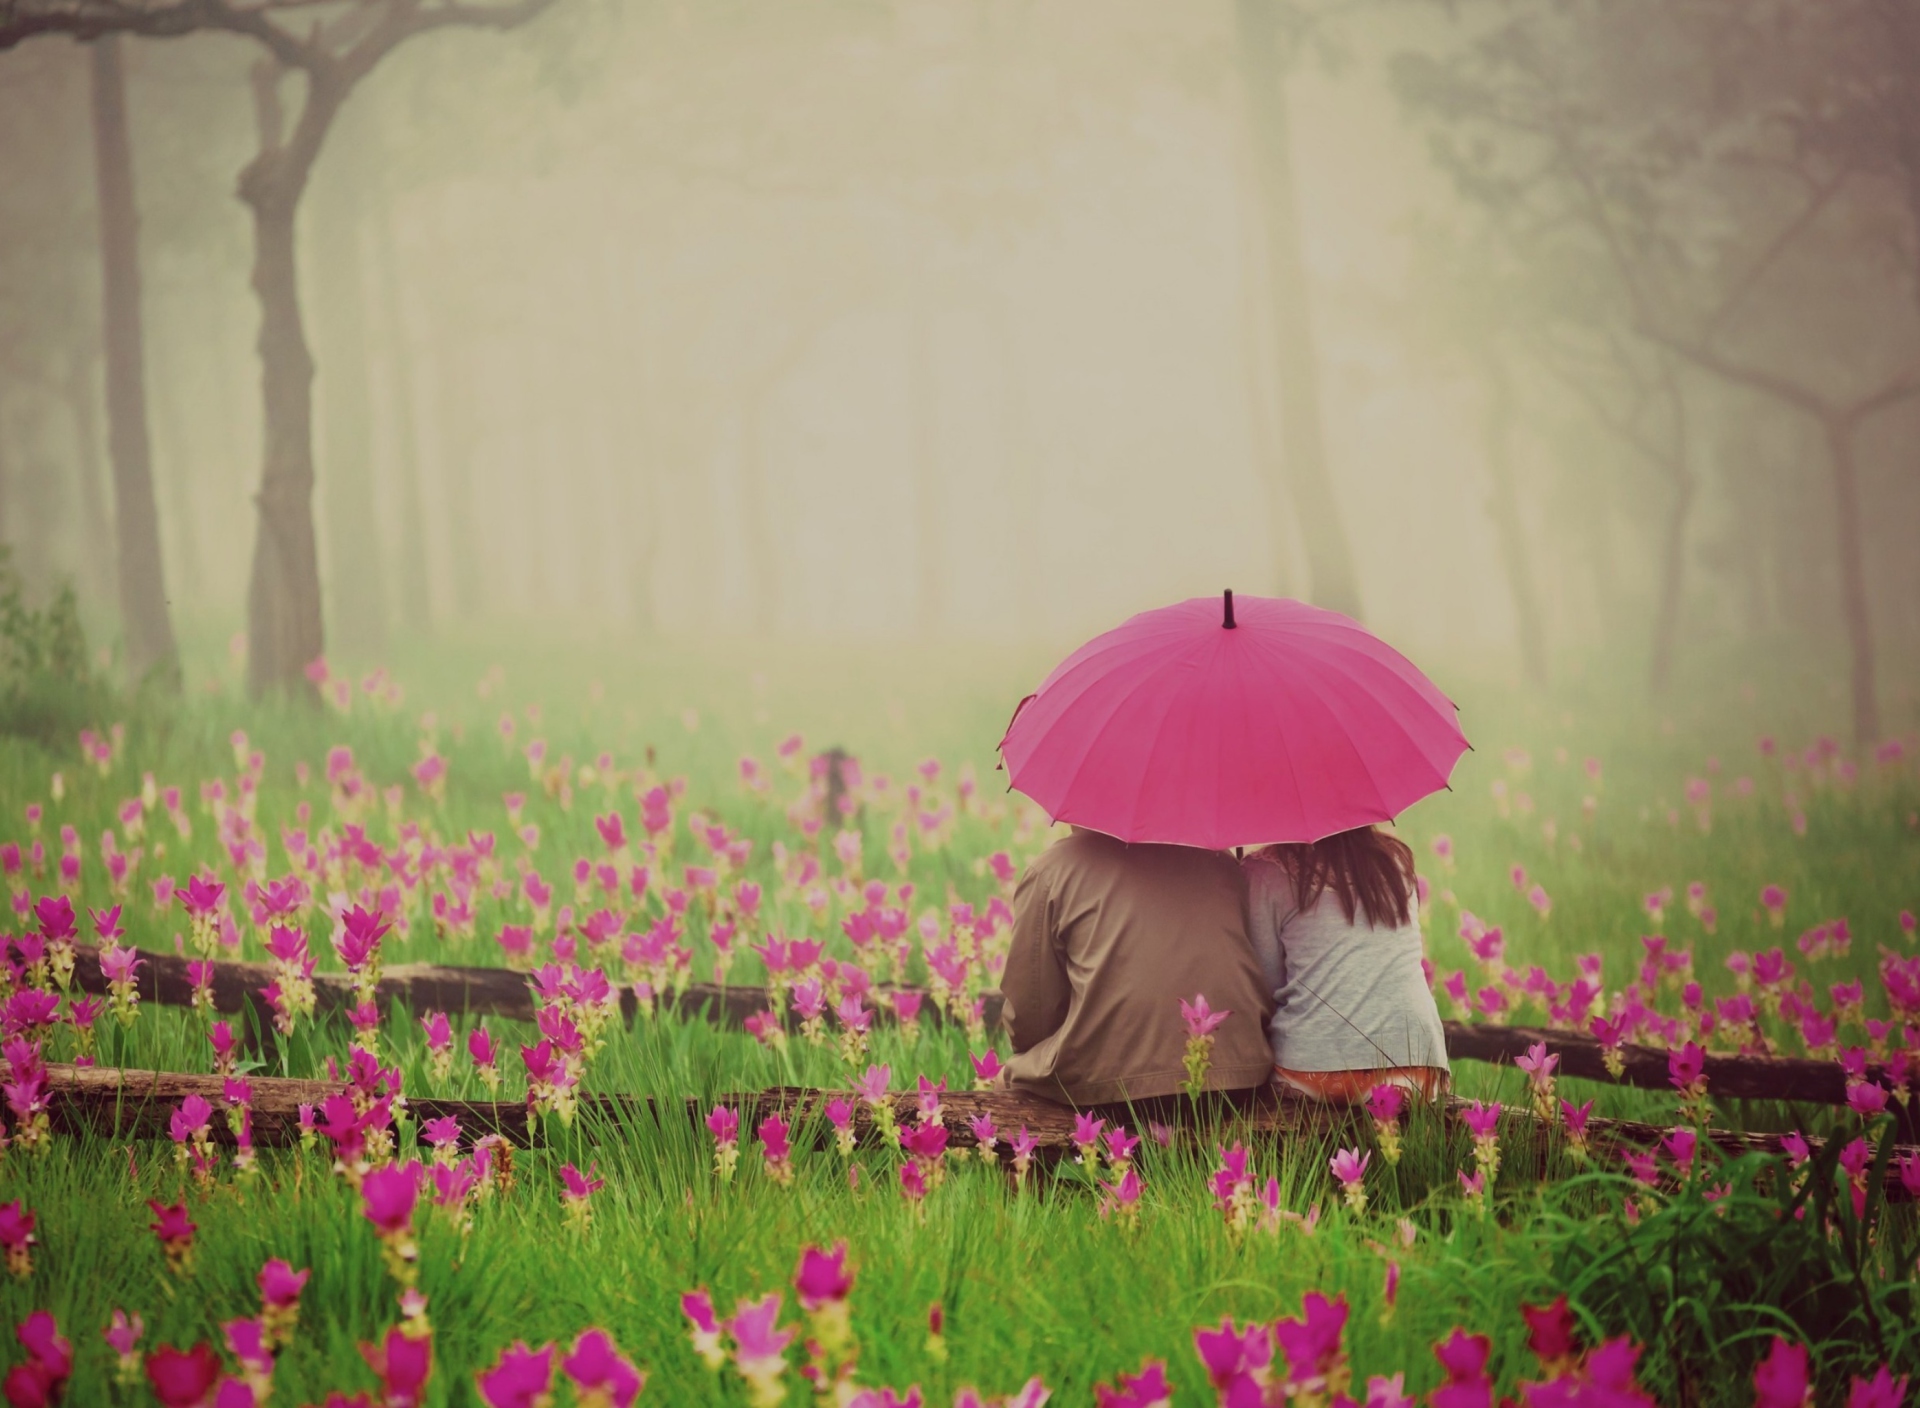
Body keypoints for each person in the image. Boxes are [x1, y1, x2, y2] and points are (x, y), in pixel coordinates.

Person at [1001, 826, 1275, 1105]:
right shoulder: (1224, 862)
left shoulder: (1053, 869)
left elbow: (1030, 1015)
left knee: (1006, 1078)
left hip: (1107, 1090)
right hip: (1239, 1083)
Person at [1244, 825, 1449, 1103]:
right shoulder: (1396, 861)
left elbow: (1263, 988)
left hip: (1314, 1074)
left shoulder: (1263, 873)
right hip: (1419, 1069)